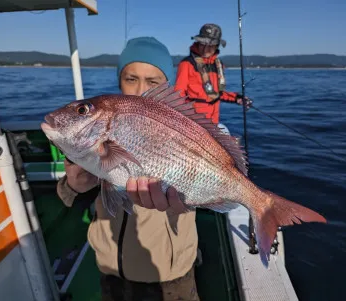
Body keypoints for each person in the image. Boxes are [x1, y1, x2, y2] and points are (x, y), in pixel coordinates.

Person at [56, 37, 200, 301]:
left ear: (166, 86)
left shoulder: (179, 129)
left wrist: (186, 201)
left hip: (169, 274)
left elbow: (199, 187)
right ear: (119, 80)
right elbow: (73, 199)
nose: (139, 89)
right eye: (131, 79)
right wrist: (74, 186)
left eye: (153, 81)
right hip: (111, 268)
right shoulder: (98, 131)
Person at [175, 23, 253, 125]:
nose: (206, 49)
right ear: (198, 43)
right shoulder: (186, 64)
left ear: (217, 46)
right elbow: (177, 96)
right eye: (203, 44)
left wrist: (236, 98)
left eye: (211, 45)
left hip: (213, 124)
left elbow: (215, 94)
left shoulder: (218, 65)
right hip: (194, 125)